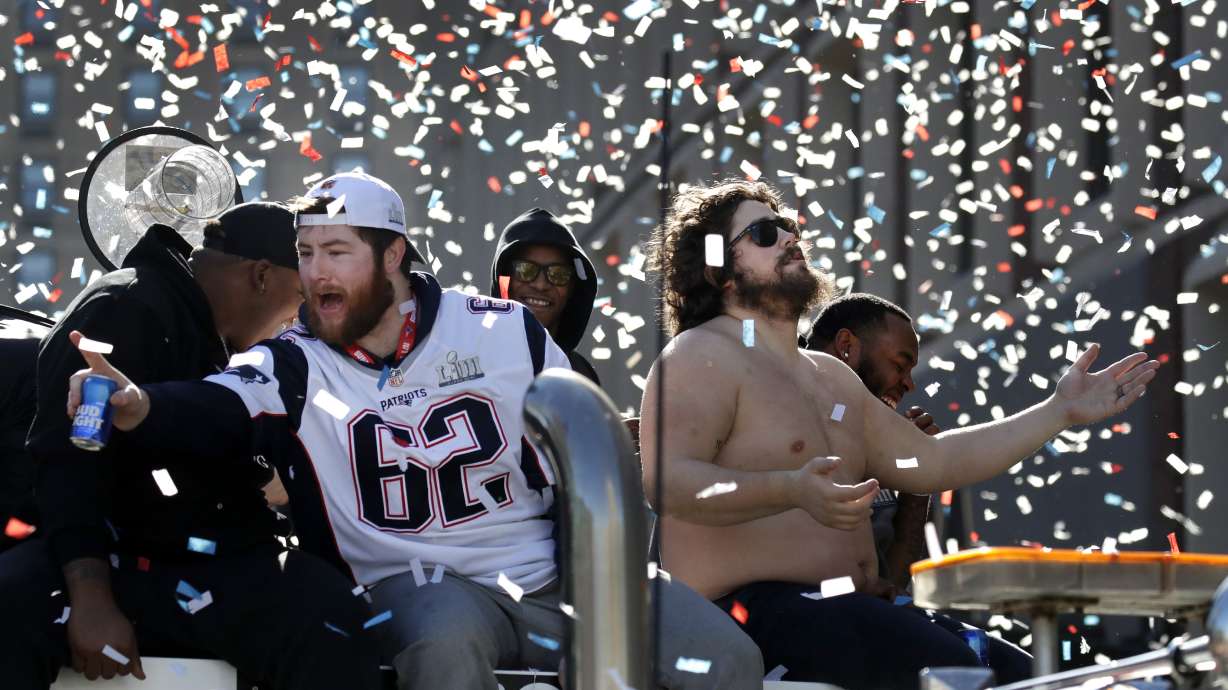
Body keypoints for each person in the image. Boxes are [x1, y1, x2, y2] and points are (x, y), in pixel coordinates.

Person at [65, 172, 764, 690]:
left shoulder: (502, 328)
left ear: (394, 255)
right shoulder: (293, 361)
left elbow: (581, 443)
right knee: (444, 644)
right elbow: (211, 405)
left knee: (728, 659)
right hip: (417, 581)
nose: (315, 274)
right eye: (305, 254)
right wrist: (136, 403)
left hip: (556, 574)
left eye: (337, 252)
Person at [640, 179, 1159, 689]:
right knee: (959, 672)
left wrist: (1057, 412)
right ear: (718, 267)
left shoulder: (829, 374)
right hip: (751, 620)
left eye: (790, 227)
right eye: (766, 233)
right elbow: (667, 483)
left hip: (860, 611)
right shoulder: (700, 355)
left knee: (1036, 676)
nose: (791, 238)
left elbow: (928, 461)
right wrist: (789, 488)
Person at [0, 202, 381, 690]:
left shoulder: (220, 335)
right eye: (299, 298)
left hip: (210, 556)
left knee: (333, 617)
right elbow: (67, 467)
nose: (298, 320)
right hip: (109, 559)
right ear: (262, 276)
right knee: (8, 609)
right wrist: (90, 595)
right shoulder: (127, 307)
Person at [806, 292, 1032, 683]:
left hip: (870, 614)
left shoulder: (883, 434)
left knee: (1025, 670)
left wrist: (916, 485)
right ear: (846, 348)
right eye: (900, 364)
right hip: (806, 618)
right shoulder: (785, 415)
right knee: (955, 665)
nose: (909, 383)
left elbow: (892, 584)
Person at [490, 207, 601, 385]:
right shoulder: (473, 362)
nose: (541, 285)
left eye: (558, 274)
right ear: (504, 281)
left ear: (572, 288)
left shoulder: (580, 375)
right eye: (526, 270)